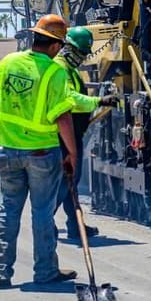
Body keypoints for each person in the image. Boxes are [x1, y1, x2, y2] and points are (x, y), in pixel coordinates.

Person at [0, 14, 80, 289]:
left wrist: (2, 132)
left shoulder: (8, 62)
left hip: (8, 151)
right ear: (54, 45)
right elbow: (62, 117)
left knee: (8, 210)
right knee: (42, 212)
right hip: (41, 153)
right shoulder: (54, 72)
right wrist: (72, 153)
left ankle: (1, 271)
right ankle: (45, 270)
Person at [52, 26, 119, 240]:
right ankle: (47, 224)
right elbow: (70, 100)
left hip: (73, 134)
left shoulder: (69, 69)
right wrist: (98, 101)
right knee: (65, 183)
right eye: (80, 52)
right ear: (67, 47)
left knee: (71, 182)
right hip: (63, 137)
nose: (82, 57)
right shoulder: (59, 69)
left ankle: (75, 226)